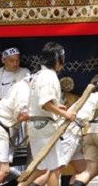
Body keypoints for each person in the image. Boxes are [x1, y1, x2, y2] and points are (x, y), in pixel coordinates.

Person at [23, 42, 76, 186]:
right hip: (44, 126)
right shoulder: (48, 75)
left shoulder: (39, 74)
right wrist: (65, 115)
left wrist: (58, 106)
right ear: (58, 58)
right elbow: (45, 103)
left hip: (36, 125)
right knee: (54, 167)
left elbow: (43, 101)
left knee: (42, 168)